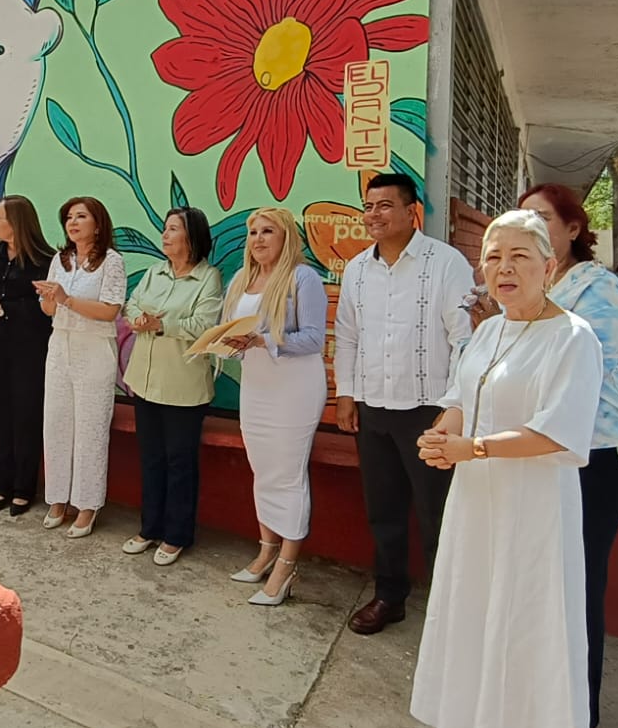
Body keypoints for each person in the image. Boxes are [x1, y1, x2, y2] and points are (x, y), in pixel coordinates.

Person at [412, 210, 604, 728]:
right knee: (483, 631)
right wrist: (445, 432)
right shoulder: (488, 330)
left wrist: (474, 450)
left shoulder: (573, 338)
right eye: (493, 258)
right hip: (480, 508)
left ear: (550, 266)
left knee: (525, 646)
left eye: (520, 256)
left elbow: (558, 432)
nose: (504, 269)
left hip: (531, 515)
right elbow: (465, 395)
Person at [463, 183, 618, 728]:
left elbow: (594, 349)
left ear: (569, 232)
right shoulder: (507, 307)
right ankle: (520, 717)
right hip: (527, 454)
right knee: (528, 588)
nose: (510, 256)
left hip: (598, 449)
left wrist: (522, 307)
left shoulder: (593, 288)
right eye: (499, 249)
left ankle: (572, 723)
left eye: (538, 226)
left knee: (573, 583)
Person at [333, 172, 473, 636]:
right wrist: (346, 395)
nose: (374, 214)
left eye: (385, 205)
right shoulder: (356, 269)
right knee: (384, 509)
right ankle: (389, 597)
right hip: (373, 409)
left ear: (412, 211)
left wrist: (453, 409)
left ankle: (449, 612)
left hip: (429, 411)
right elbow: (348, 338)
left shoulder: (446, 263)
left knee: (438, 515)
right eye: (369, 206)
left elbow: (464, 340)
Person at [221, 207, 328, 607]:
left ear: (286, 237)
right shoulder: (241, 279)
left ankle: (287, 564)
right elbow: (232, 331)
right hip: (257, 387)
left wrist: (266, 340)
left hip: (294, 389)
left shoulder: (304, 278)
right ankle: (266, 549)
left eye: (269, 231)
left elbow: (315, 339)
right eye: (253, 232)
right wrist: (227, 343)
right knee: (262, 470)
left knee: (287, 474)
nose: (259, 238)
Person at [121, 207, 223, 566]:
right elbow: (132, 303)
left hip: (183, 386)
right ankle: (149, 528)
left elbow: (203, 324)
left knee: (180, 462)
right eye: (164, 229)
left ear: (192, 237)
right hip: (145, 381)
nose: (165, 236)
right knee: (150, 458)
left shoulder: (208, 278)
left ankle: (177, 534)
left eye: (173, 229)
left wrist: (161, 325)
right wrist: (139, 319)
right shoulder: (154, 271)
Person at [34, 197, 125, 538]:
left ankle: (87, 505)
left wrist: (66, 300)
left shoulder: (112, 261)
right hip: (60, 345)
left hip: (94, 348)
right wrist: (48, 299)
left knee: (90, 429)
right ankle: (58, 498)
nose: (73, 223)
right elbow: (50, 310)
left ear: (98, 224)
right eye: (69, 217)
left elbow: (110, 310)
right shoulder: (61, 259)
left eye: (81, 216)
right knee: (56, 423)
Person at [0, 194, 56, 516]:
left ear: (17, 223)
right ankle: (2, 485)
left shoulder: (45, 259)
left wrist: (4, 309)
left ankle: (23, 488)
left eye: (0, 218)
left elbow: (45, 309)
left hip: (30, 349)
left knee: (26, 416)